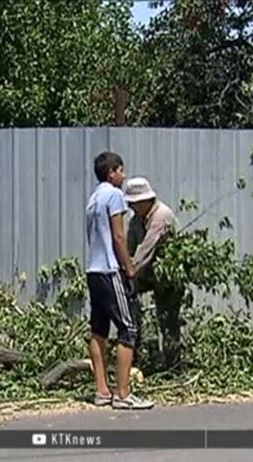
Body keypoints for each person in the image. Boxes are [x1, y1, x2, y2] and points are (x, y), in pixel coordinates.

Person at [85, 151, 155, 410]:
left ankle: (102, 390)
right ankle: (123, 394)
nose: (123, 177)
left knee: (98, 331)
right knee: (128, 329)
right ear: (112, 172)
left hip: (93, 271)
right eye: (121, 171)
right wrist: (129, 266)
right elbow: (118, 237)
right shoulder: (113, 196)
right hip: (109, 270)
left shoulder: (93, 199)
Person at [125, 177, 183, 369]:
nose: (132, 207)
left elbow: (146, 249)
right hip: (147, 273)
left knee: (167, 318)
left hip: (167, 275)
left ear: (145, 201)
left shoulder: (161, 216)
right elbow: (129, 248)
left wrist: (130, 269)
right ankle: (134, 350)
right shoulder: (136, 221)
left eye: (134, 204)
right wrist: (123, 268)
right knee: (127, 298)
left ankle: (172, 364)